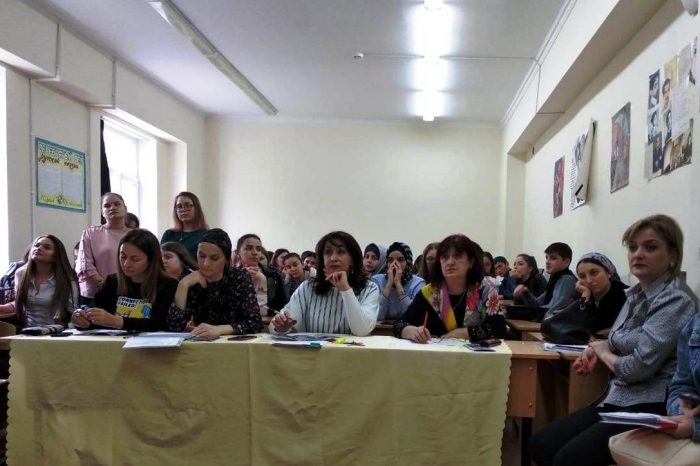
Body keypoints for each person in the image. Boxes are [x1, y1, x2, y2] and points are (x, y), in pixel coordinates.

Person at [530, 214, 696, 466]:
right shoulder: (634, 295)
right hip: (617, 398)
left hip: (650, 405)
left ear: (672, 255)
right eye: (632, 247)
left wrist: (602, 351)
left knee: (568, 459)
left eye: (650, 247)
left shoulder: (675, 300)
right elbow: (616, 338)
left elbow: (636, 369)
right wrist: (597, 349)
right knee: (541, 444)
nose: (638, 254)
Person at [393, 234, 500, 343]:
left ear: (471, 262)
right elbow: (399, 324)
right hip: (437, 353)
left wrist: (460, 333)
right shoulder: (430, 292)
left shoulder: (486, 288)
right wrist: (410, 330)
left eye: (457, 256)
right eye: (444, 257)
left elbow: (498, 329)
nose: (449, 262)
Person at [270, 231, 379, 336]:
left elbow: (362, 330)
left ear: (353, 259)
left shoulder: (369, 288)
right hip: (313, 349)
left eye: (341, 252)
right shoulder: (307, 287)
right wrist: (281, 327)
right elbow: (274, 326)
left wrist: (345, 290)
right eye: (328, 252)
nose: (333, 258)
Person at [72, 229, 178, 332]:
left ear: (151, 260)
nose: (126, 264)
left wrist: (118, 322)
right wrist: (81, 319)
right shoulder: (112, 282)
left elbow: (161, 323)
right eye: (123, 257)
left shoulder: (168, 285)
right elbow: (93, 316)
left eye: (135, 259)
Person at [167, 229, 263, 337]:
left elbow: (255, 323)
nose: (206, 263)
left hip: (235, 343)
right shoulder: (191, 281)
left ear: (226, 260)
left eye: (214, 258)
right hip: (202, 342)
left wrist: (220, 329)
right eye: (201, 255)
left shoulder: (240, 277)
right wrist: (183, 285)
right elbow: (174, 327)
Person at [0, 235, 78, 327]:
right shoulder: (20, 274)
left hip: (56, 331)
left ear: (56, 257)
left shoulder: (67, 279)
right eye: (36, 245)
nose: (39, 248)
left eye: (47, 247)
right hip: (28, 331)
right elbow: (22, 303)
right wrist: (10, 307)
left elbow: (72, 314)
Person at [76, 192, 130, 305]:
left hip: (129, 293)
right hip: (96, 294)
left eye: (117, 204)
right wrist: (108, 286)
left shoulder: (136, 235)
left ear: (125, 209)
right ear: (102, 212)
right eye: (107, 206)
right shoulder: (90, 233)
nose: (112, 208)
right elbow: (85, 266)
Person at [514, 242, 577, 311]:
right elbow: (537, 303)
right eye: (546, 257)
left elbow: (553, 309)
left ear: (566, 262)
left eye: (553, 258)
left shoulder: (567, 279)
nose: (547, 262)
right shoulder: (555, 278)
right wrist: (525, 292)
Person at [371, 242, 425, 321]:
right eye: (390, 260)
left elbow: (414, 317)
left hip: (407, 327)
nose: (394, 264)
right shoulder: (377, 280)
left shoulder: (418, 283)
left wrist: (398, 284)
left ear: (408, 262)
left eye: (400, 260)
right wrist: (389, 284)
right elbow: (376, 316)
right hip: (380, 328)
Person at [236, 234, 288, 315]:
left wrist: (262, 281)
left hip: (270, 320)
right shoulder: (233, 275)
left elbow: (285, 305)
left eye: (258, 249)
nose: (255, 253)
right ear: (238, 252)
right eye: (249, 248)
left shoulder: (274, 274)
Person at [160, 192, 209, 261]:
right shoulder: (169, 234)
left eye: (188, 205)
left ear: (196, 208)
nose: (183, 209)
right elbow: (159, 258)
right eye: (179, 206)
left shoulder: (205, 235)